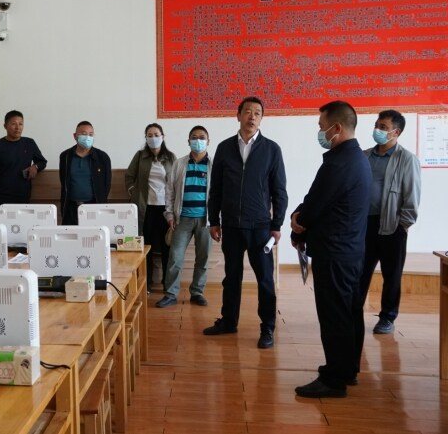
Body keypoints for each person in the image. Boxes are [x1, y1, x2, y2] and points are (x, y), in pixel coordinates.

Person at [290, 100, 370, 398]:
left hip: (334, 252)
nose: (320, 132)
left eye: (322, 127)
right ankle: (348, 369)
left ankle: (334, 379)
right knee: (348, 313)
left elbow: (315, 204)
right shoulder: (356, 158)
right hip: (350, 250)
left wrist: (297, 223)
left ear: (337, 128)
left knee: (335, 316)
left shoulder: (339, 163)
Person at [203, 96, 288, 349]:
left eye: (257, 113)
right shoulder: (224, 148)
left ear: (262, 118)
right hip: (231, 225)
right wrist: (214, 220)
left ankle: (268, 327)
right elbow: (215, 188)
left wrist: (277, 224)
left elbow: (279, 191)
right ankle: (229, 321)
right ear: (238, 115)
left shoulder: (272, 149)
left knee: (265, 280)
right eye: (248, 112)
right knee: (231, 277)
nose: (252, 117)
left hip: (260, 226)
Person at [359, 109, 421, 334]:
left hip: (392, 226)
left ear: (396, 132)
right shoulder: (364, 156)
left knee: (391, 275)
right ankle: (353, 312)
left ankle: (387, 317)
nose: (378, 130)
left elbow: (412, 195)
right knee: (359, 272)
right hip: (364, 226)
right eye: (377, 126)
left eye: (383, 127)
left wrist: (403, 225)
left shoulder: (407, 159)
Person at [155, 126, 211, 308]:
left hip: (205, 220)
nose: (198, 141)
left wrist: (218, 220)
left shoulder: (214, 165)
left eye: (202, 137)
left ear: (208, 141)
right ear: (188, 141)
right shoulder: (179, 164)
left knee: (202, 259)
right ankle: (171, 294)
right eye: (194, 137)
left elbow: (220, 193)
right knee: (175, 258)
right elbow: (169, 191)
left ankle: (197, 292)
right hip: (182, 219)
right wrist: (169, 214)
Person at [125, 123, 176, 293]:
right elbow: (129, 176)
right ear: (146, 138)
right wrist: (133, 192)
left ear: (162, 136)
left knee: (167, 246)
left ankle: (167, 283)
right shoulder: (140, 156)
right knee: (146, 246)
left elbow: (176, 181)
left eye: (156, 134)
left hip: (165, 209)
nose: (153, 138)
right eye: (150, 135)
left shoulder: (170, 157)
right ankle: (146, 284)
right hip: (145, 208)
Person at [0, 110, 47, 222]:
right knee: (0, 230)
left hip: (22, 197)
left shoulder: (29, 143)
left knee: (21, 229)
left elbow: (42, 161)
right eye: (13, 124)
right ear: (5, 126)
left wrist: (35, 167)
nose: (18, 127)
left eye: (21, 124)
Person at [59, 121, 112, 225]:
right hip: (71, 209)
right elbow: (63, 181)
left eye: (91, 134)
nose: (87, 137)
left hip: (94, 208)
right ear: (75, 136)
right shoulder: (65, 156)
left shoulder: (102, 157)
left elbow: (106, 185)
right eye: (84, 134)